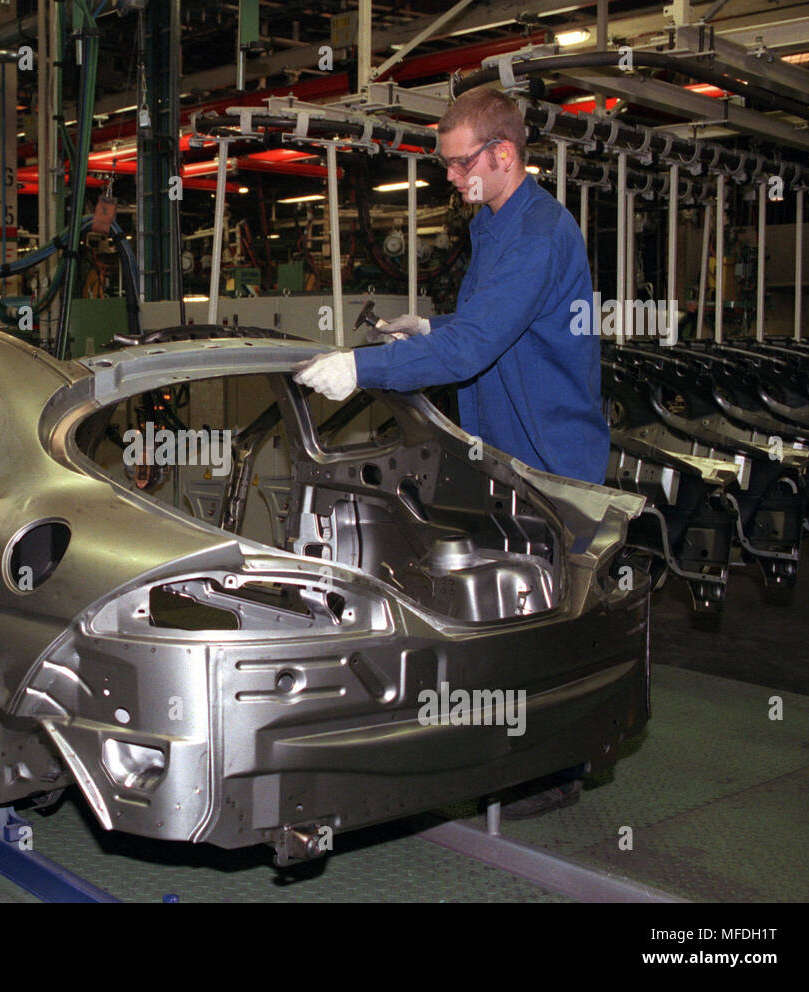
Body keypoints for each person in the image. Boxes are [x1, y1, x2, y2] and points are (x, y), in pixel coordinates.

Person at [294, 87, 608, 817]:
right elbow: (488, 327)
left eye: (460, 163)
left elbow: (475, 348)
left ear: (504, 155)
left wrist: (361, 369)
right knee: (517, 605)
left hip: (549, 454)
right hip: (504, 450)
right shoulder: (497, 224)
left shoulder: (537, 232)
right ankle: (523, 753)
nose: (450, 177)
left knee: (551, 620)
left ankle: (556, 768)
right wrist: (430, 329)